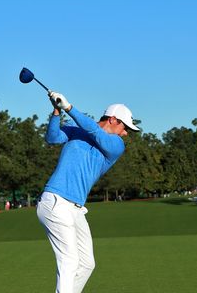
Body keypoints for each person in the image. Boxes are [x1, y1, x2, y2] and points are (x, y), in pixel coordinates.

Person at [36, 91, 139, 293]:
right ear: (112, 120)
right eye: (124, 127)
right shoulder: (76, 132)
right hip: (56, 201)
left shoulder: (116, 145)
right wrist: (57, 112)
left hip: (75, 208)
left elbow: (94, 131)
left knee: (86, 263)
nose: (126, 133)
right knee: (70, 260)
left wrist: (69, 108)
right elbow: (52, 137)